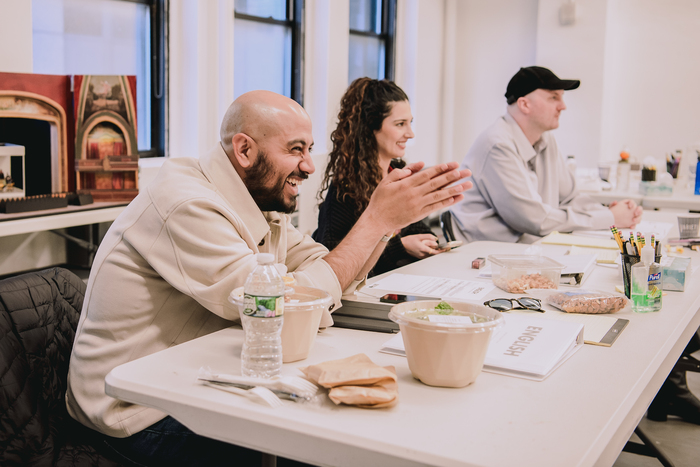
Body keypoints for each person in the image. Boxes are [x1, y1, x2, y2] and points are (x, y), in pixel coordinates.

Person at [65, 90, 472, 466]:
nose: (309, 165)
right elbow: (273, 306)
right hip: (134, 413)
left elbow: (325, 268)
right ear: (244, 149)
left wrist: (385, 228)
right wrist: (376, 219)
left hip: (194, 381)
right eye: (296, 150)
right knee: (319, 448)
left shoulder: (260, 200)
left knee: (353, 430)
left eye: (310, 149)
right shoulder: (187, 203)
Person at [450, 66, 643, 244]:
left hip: (524, 248)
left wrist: (606, 212)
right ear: (525, 104)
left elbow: (569, 198)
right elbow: (534, 220)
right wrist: (610, 218)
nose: (563, 106)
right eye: (554, 98)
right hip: (479, 253)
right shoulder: (497, 145)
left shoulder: (545, 139)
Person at [313, 78, 445, 276]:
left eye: (410, 123)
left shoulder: (397, 173)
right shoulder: (345, 190)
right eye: (400, 124)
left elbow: (420, 230)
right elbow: (334, 264)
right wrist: (400, 246)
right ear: (370, 128)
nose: (410, 133)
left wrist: (429, 242)